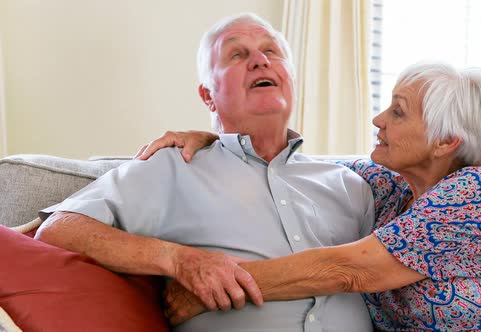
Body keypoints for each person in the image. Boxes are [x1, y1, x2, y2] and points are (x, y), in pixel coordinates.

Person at [139, 62, 481, 331]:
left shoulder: (479, 193)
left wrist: (211, 287)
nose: (378, 118)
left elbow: (345, 270)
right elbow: (290, 164)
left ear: (446, 141)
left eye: (398, 111)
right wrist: (221, 139)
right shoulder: (389, 187)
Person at [35, 12, 376, 332]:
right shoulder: (172, 166)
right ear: (208, 96)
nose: (261, 60)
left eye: (271, 51)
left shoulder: (352, 185)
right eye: (237, 55)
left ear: (292, 80)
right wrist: (178, 260)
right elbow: (59, 230)